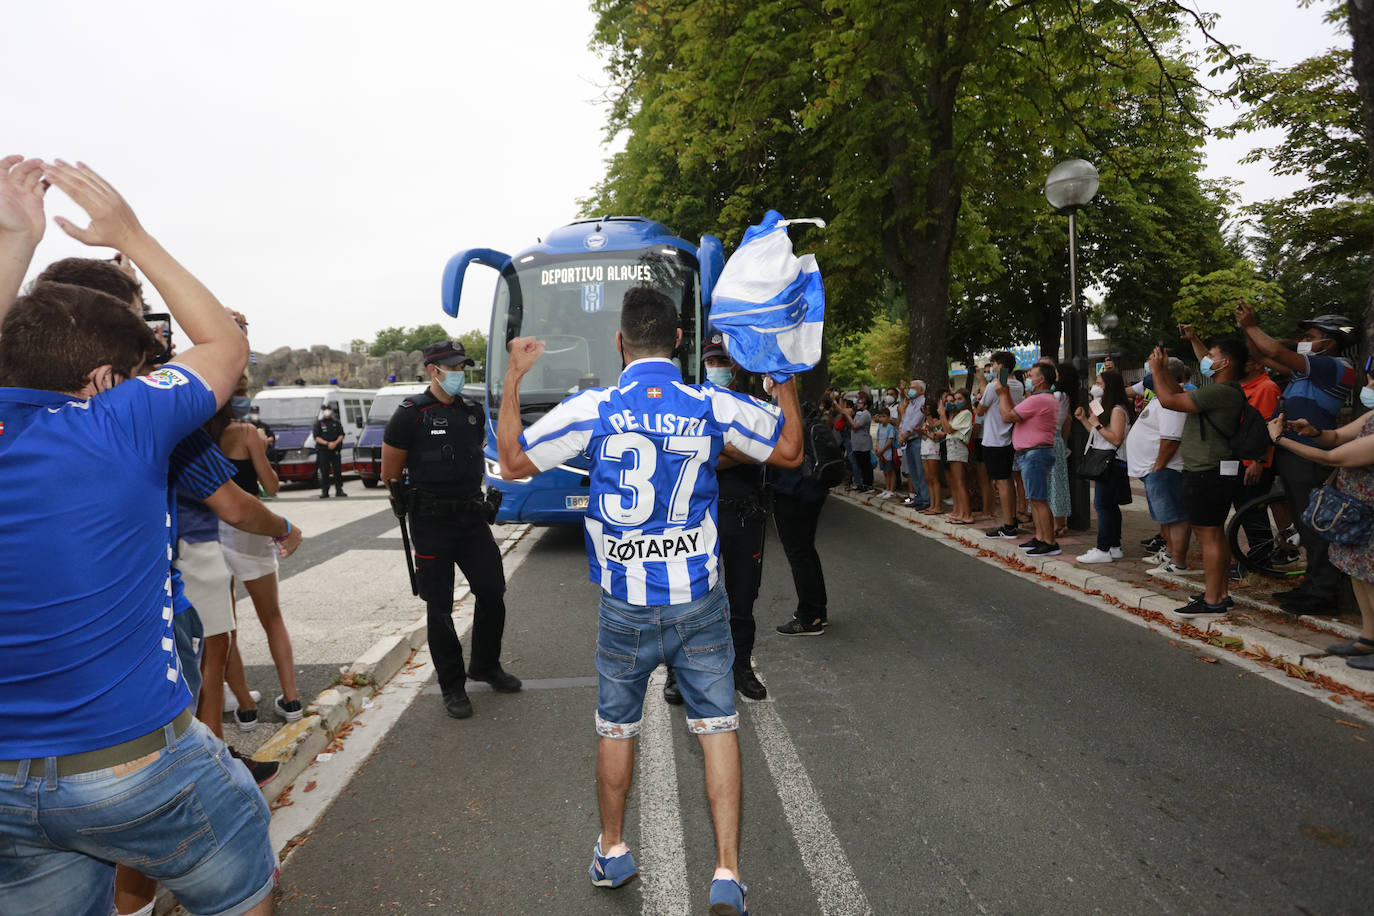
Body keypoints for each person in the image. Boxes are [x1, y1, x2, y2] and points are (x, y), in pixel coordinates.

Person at [0, 158, 276, 915]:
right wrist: (134, 236)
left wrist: (14, 243)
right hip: (129, 762)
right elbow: (222, 345)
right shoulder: (114, 428)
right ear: (101, 380)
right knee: (243, 883)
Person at [496, 287, 802, 915]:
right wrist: (786, 384)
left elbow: (511, 461)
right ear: (681, 340)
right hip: (699, 600)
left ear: (620, 343)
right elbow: (791, 452)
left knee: (617, 726)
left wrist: (513, 376)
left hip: (624, 607)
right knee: (717, 728)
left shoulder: (593, 407)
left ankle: (613, 851)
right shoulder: (710, 401)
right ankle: (726, 873)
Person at [381, 339, 519, 719]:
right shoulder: (410, 414)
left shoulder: (471, 413)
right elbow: (389, 474)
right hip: (431, 525)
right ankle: (452, 686)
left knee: (493, 591)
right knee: (439, 607)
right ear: (433, 370)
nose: (459, 373)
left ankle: (485, 665)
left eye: (462, 367)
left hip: (472, 521)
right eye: (453, 367)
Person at [665, 332, 770, 702]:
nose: (717, 367)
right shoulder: (691, 403)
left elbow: (770, 452)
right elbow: (686, 453)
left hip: (745, 515)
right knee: (687, 598)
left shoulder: (754, 403)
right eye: (711, 361)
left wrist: (717, 447)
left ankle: (741, 667)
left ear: (736, 365)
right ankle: (678, 674)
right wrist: (742, 447)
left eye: (723, 361)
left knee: (744, 598)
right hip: (697, 517)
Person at [1234, 304, 1358, 614]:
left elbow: (1273, 348)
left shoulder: (1334, 365)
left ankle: (1324, 595)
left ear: (1329, 341)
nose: (1304, 339)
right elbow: (1262, 356)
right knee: (1305, 523)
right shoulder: (1309, 369)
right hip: (1292, 451)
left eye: (1310, 336)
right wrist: (1246, 329)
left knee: (1315, 524)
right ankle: (1312, 585)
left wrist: (1252, 325)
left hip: (1310, 455)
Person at [212, 379, 305, 725]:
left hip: (211, 534)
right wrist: (260, 450)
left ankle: (245, 707)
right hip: (251, 533)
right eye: (239, 393)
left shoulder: (194, 434)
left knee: (225, 626)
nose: (243, 399)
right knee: (273, 619)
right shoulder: (248, 433)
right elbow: (271, 486)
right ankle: (292, 700)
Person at [1268, 387, 1374, 667]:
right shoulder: (1372, 416)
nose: (1368, 388)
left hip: (1370, 511)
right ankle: (1368, 637)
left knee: (1371, 577)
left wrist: (1280, 439)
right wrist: (1313, 432)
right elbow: (1337, 437)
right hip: (1355, 511)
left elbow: (1332, 457)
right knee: (1356, 572)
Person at [1148, 340, 1251, 616]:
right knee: (1215, 534)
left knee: (1209, 536)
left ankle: (1213, 600)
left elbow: (1169, 400)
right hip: (1211, 470)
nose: (1206, 359)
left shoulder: (1222, 392)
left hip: (1207, 471)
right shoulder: (1223, 391)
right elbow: (1175, 393)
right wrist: (1164, 374)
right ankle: (1220, 593)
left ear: (1225, 362)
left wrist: (1157, 370)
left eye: (1212, 355)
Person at [773, 375, 833, 636]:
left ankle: (810, 617)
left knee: (799, 554)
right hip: (812, 491)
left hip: (792, 492)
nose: (767, 381)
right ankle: (817, 610)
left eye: (769, 377)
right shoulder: (802, 407)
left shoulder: (778, 413)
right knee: (807, 551)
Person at [1126, 358, 1193, 574]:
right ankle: (1169, 555)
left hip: (1165, 470)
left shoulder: (1172, 402)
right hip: (1157, 469)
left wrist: (1158, 465)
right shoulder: (1162, 398)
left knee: (1175, 517)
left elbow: (1171, 439)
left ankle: (1177, 562)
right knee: (1167, 518)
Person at [997, 361, 1061, 555]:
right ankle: (1041, 537)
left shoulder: (1039, 399)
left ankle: (1049, 541)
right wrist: (1006, 392)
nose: (1028, 379)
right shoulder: (1040, 398)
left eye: (1031, 375)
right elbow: (1016, 410)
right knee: (1035, 498)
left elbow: (1008, 416)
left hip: (1035, 453)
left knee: (1039, 500)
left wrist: (1001, 395)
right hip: (1033, 453)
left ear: (1041, 380)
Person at [1072, 370, 1132, 564]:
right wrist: (1084, 419)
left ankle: (1103, 548)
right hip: (1105, 460)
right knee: (1108, 505)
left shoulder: (1117, 409)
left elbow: (1115, 438)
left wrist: (1097, 424)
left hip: (1112, 462)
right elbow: (1097, 433)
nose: (1095, 387)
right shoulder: (1100, 406)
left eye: (1099, 383)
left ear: (1109, 387)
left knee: (1103, 505)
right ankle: (1114, 547)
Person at [980, 351, 1025, 538]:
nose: (991, 368)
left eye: (993, 364)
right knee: (1008, 480)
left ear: (1000, 365)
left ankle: (1008, 525)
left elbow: (981, 409)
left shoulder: (994, 386)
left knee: (1002, 482)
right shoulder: (1018, 385)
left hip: (994, 439)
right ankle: (1011, 519)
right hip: (1008, 439)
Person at [1044, 359, 1077, 538]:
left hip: (1049, 439)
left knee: (1053, 483)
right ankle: (1061, 522)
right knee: (1060, 482)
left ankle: (1057, 523)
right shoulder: (1066, 396)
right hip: (1058, 440)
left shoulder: (1055, 396)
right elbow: (1067, 421)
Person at [899, 380, 929, 508]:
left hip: (916, 439)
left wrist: (904, 435)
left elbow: (916, 422)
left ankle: (926, 499)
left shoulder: (922, 402)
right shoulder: (911, 403)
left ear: (921, 390)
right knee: (913, 471)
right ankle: (918, 497)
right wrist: (901, 433)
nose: (910, 390)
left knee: (920, 471)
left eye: (913, 388)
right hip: (909, 440)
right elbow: (905, 420)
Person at [919, 389, 947, 516]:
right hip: (924, 449)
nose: (925, 409)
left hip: (934, 450)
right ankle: (932, 504)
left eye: (927, 407)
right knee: (928, 478)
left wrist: (928, 416)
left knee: (934, 478)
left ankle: (938, 506)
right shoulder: (925, 420)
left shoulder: (937, 420)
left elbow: (934, 432)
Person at [313, 403, 347, 497]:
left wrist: (335, 443)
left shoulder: (336, 422)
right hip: (323, 451)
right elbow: (316, 437)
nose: (327, 411)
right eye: (325, 409)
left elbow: (341, 435)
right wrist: (327, 444)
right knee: (324, 471)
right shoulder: (318, 423)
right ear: (322, 411)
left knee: (337, 471)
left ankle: (339, 490)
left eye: (328, 409)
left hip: (335, 450)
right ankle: (325, 491)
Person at [874, 405, 898, 497]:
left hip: (888, 453)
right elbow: (878, 439)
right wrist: (877, 449)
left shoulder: (890, 428)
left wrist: (882, 450)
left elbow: (889, 441)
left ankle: (891, 490)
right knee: (885, 471)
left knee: (890, 471)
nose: (881, 419)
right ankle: (887, 488)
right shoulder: (880, 427)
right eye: (880, 416)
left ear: (888, 418)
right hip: (881, 454)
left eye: (884, 416)